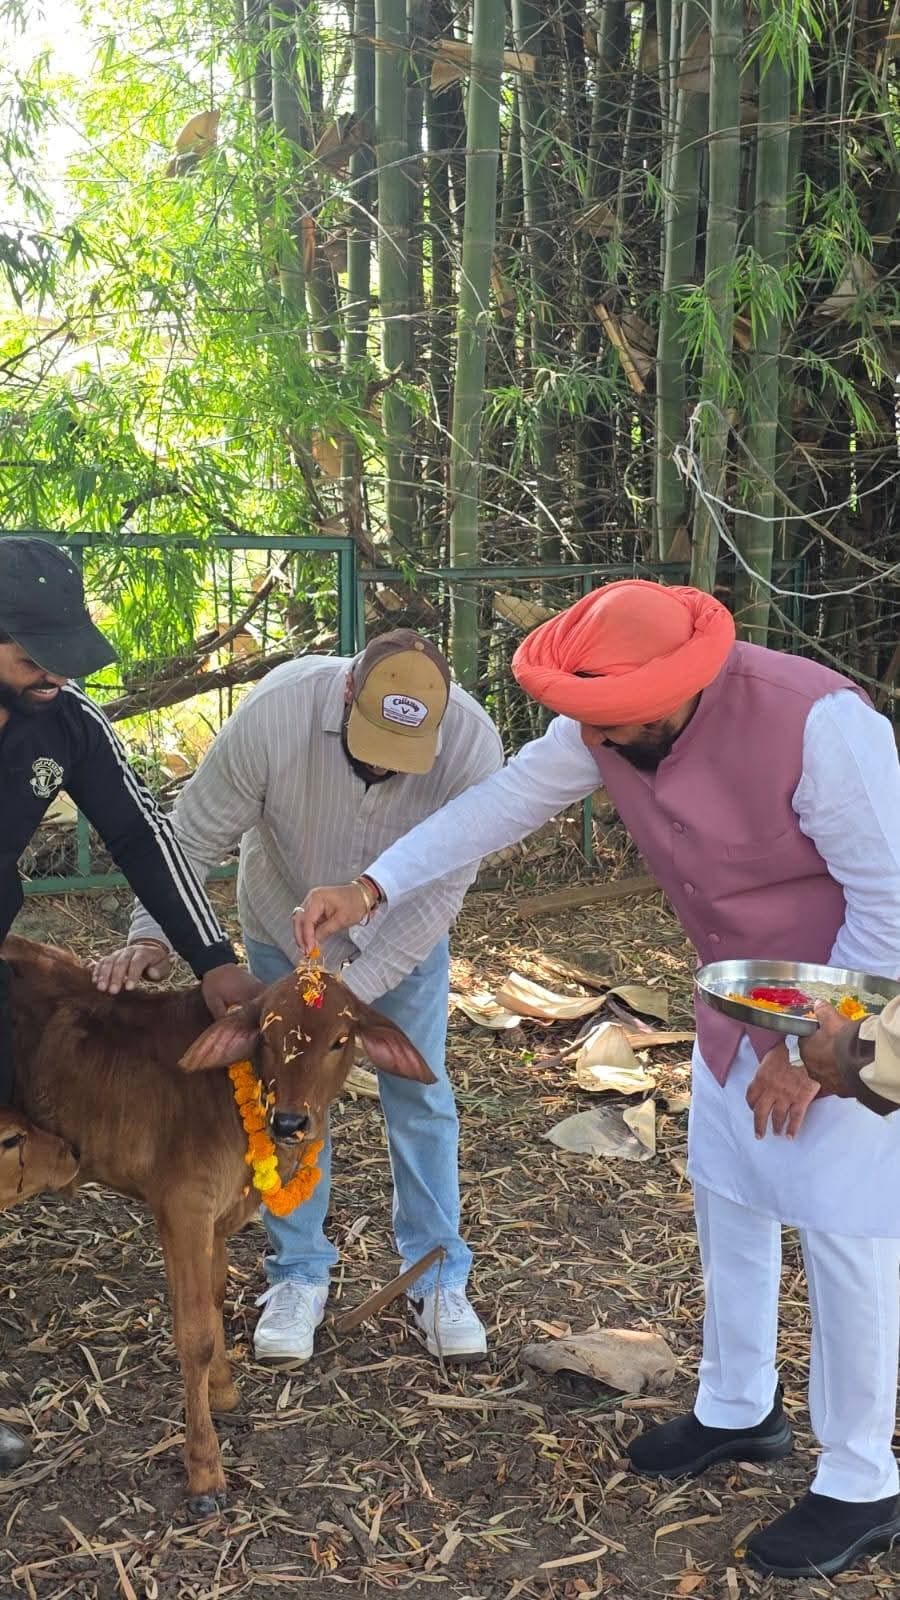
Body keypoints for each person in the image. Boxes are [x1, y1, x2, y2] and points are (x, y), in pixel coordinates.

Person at [293, 580, 900, 1581]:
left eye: (617, 722)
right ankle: (738, 1406)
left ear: (681, 687)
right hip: (734, 999)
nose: (600, 742)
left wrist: (814, 1057)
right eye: (590, 723)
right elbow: (497, 806)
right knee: (732, 1195)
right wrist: (372, 886)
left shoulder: (820, 725)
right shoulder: (605, 726)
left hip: (855, 1012)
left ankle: (861, 1477)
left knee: (846, 1228)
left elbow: (889, 903)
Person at [93, 630, 504, 1363]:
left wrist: (350, 997)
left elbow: (444, 886)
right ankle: (298, 1271)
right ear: (346, 693)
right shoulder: (277, 711)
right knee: (284, 1094)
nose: (384, 765)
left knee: (421, 1094)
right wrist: (152, 935)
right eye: (372, 742)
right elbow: (191, 838)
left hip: (401, 939)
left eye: (403, 752)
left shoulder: (473, 747)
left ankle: (437, 1272)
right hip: (285, 928)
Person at [0, 535, 261, 1472]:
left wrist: (212, 958)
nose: (56, 675)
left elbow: (144, 836)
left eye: (65, 655)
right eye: (35, 655)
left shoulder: (67, 721)